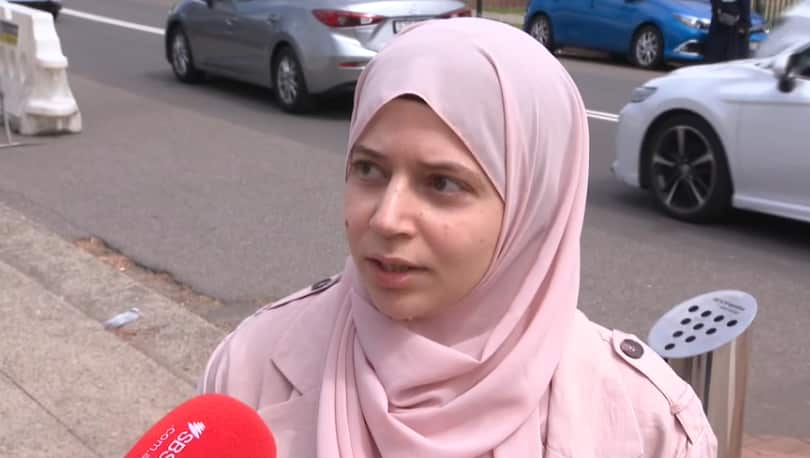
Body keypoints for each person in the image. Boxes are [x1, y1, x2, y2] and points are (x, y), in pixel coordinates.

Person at [198, 17, 717, 458]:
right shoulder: (251, 368)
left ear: (533, 209)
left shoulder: (645, 426)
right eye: (369, 169)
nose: (387, 219)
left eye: (442, 183)